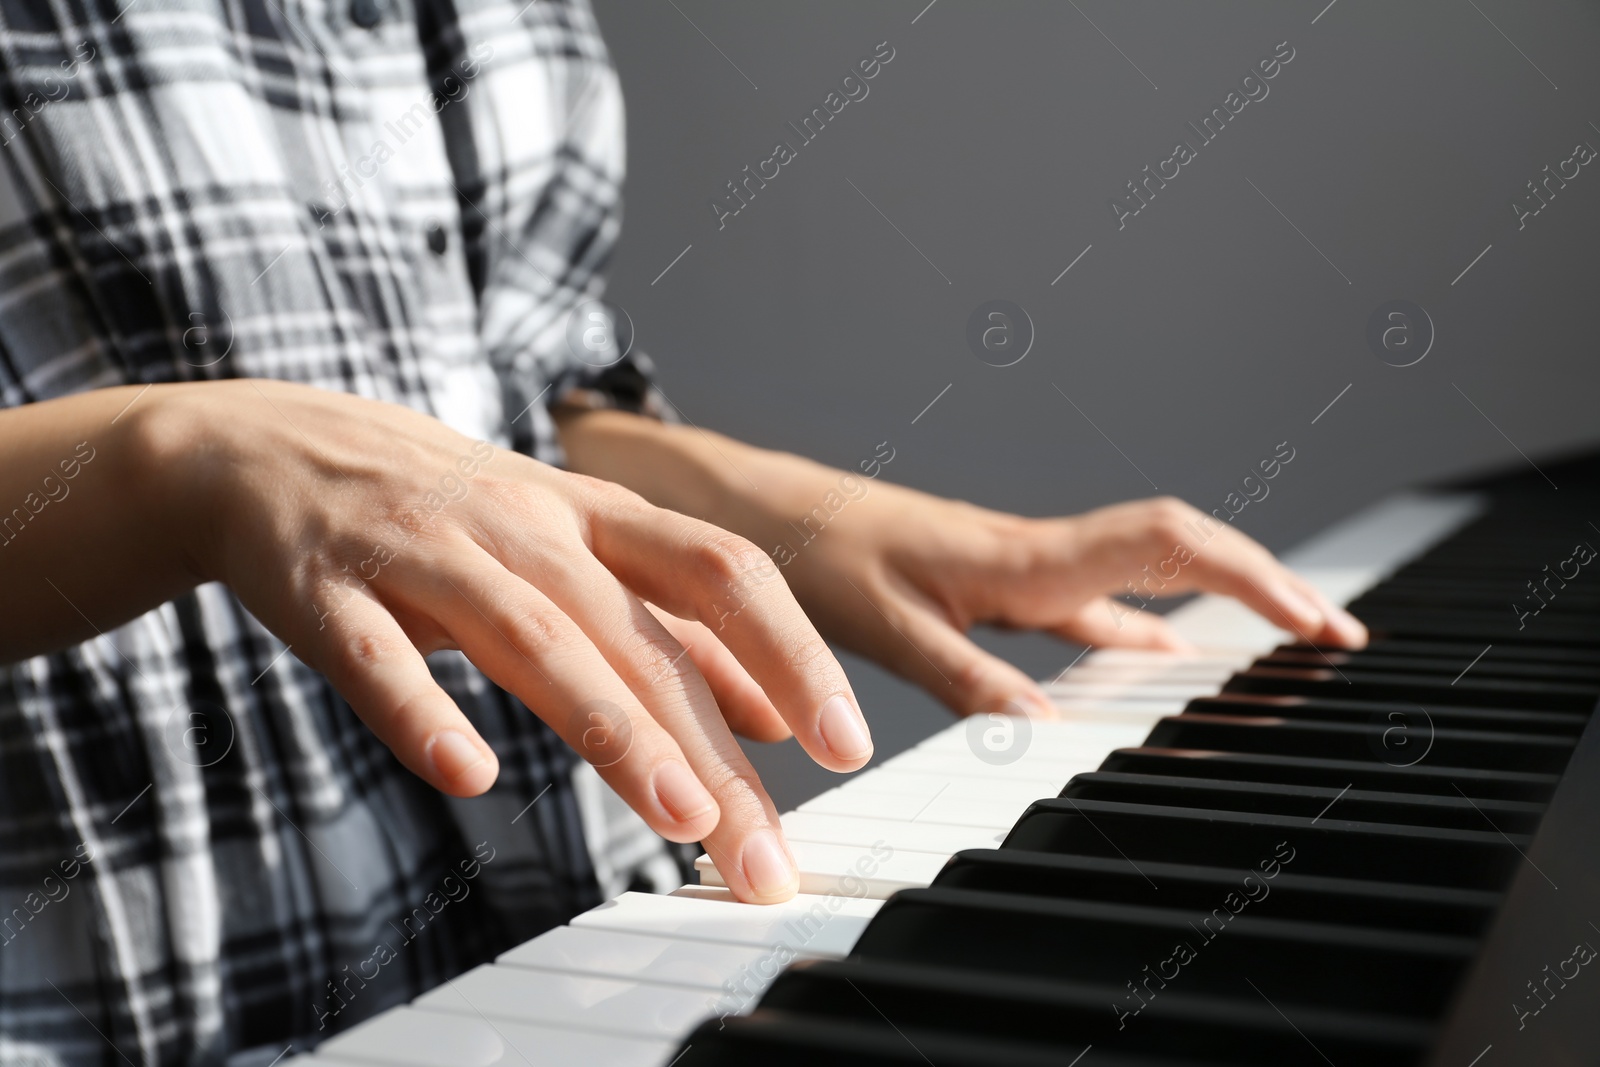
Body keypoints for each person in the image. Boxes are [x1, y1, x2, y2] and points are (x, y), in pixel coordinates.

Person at [0, 0, 1365, 1062]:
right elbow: (308, 454)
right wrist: (169, 460)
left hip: (567, 962)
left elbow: (502, 383)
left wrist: (791, 513)